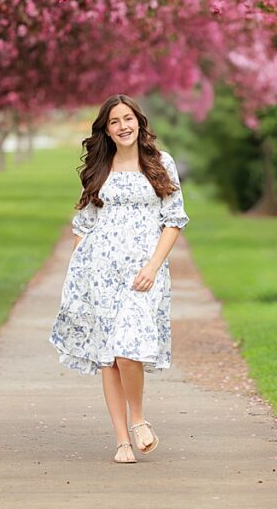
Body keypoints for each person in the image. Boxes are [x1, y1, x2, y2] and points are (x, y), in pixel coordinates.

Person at [49, 95, 190, 464]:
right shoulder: (101, 169)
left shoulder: (161, 164)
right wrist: (81, 273)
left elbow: (174, 220)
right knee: (108, 357)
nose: (123, 126)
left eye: (128, 118)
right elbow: (85, 224)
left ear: (139, 122)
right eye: (115, 122)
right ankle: (122, 441)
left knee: (129, 349)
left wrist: (153, 266)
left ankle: (139, 420)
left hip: (144, 273)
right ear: (106, 130)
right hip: (100, 273)